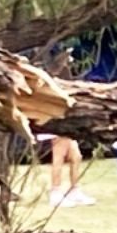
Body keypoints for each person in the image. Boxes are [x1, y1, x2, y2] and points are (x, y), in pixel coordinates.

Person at [40, 50, 96, 208]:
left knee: (76, 156)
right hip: (58, 123)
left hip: (65, 122)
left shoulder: (64, 77)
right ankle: (55, 192)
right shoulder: (56, 79)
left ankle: (74, 189)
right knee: (59, 156)